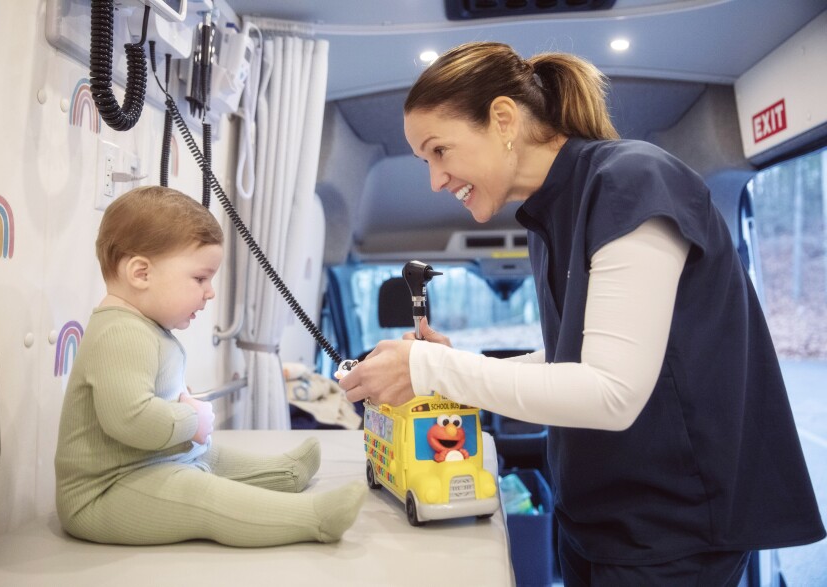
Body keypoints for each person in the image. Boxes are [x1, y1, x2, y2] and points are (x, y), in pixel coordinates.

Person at [338, 42, 825, 584]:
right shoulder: (548, 216)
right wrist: (455, 367)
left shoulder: (632, 181)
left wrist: (427, 370)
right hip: (596, 522)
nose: (435, 179)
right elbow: (578, 355)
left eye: (439, 151)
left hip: (670, 534)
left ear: (503, 119)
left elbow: (611, 391)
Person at [55, 186, 366, 548]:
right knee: (197, 490)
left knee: (208, 456)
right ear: (141, 273)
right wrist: (192, 420)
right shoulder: (120, 334)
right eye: (200, 278)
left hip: (146, 465)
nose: (210, 292)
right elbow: (131, 421)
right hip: (102, 494)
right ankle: (312, 519)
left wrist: (187, 416)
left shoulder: (144, 328)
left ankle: (286, 474)